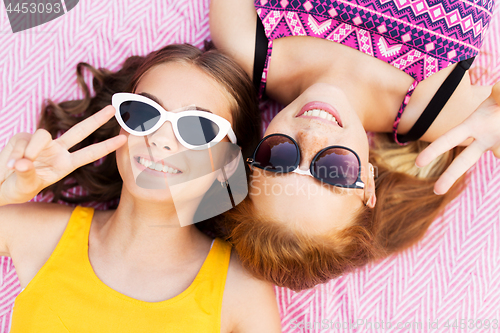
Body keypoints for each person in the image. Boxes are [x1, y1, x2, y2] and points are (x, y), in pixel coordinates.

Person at [209, 0, 500, 291]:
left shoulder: (243, 42)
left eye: (279, 159)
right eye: (333, 170)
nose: (312, 136)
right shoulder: (447, 113)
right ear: (369, 185)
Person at [0, 44, 281, 332]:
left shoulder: (242, 290)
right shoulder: (40, 234)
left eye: (198, 128)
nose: (160, 139)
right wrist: (4, 190)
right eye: (145, 113)